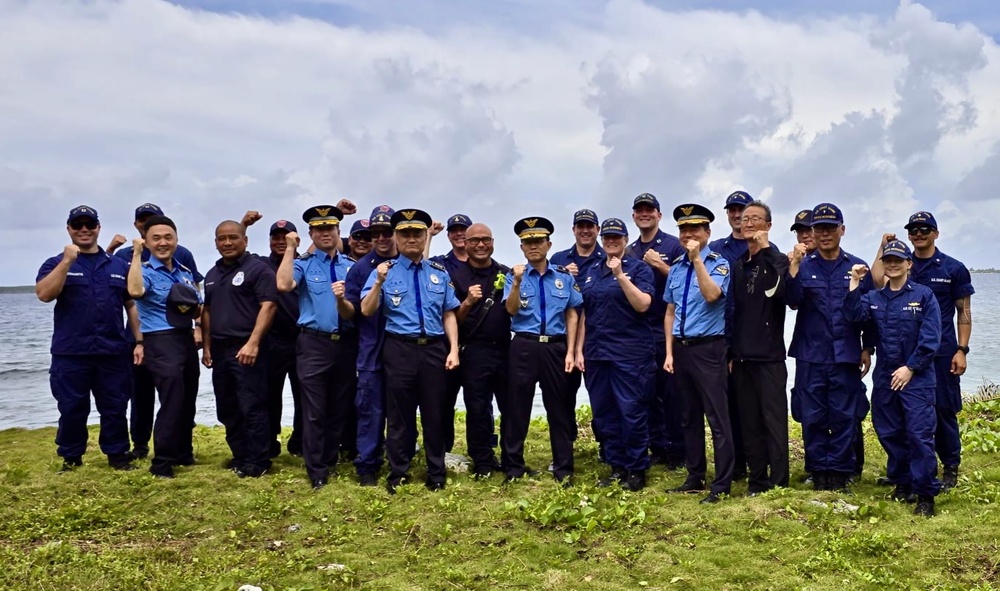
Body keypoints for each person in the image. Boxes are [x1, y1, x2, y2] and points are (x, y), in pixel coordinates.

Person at [870, 211, 974, 491]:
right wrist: (882, 246)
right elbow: (876, 282)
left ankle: (950, 465)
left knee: (943, 409)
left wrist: (962, 349)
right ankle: (902, 472)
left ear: (936, 233)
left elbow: (963, 312)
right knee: (898, 415)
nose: (919, 233)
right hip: (901, 352)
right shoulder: (900, 262)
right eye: (913, 229)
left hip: (941, 351)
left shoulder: (953, 268)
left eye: (925, 229)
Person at [360, 208, 461, 494]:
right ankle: (399, 472)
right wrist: (378, 282)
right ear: (396, 238)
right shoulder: (384, 272)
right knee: (399, 415)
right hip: (399, 349)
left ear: (425, 235)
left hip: (433, 349)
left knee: (435, 413)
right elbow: (366, 310)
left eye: (417, 233)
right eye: (405, 234)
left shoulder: (439, 273)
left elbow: (449, 314)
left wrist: (453, 349)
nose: (412, 239)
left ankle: (436, 473)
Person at [35, 206, 139, 472]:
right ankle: (71, 457)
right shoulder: (55, 263)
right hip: (71, 353)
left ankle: (117, 454)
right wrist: (67, 262)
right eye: (77, 225)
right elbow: (45, 294)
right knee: (71, 407)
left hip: (113, 351)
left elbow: (131, 305)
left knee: (115, 406)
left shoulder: (118, 265)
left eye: (89, 225)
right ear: (69, 229)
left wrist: (139, 341)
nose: (84, 229)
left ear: (98, 228)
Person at [845, 240, 942, 516]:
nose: (892, 264)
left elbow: (931, 339)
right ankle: (902, 482)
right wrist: (854, 283)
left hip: (917, 378)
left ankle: (925, 495)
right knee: (888, 430)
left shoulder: (924, 296)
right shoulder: (874, 298)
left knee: (919, 435)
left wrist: (911, 368)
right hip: (886, 377)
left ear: (909, 264)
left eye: (898, 259)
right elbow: (854, 317)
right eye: (888, 260)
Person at [786, 203, 874, 492]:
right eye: (819, 228)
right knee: (812, 415)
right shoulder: (804, 265)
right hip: (811, 353)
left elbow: (869, 312)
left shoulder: (857, 267)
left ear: (842, 230)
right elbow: (793, 300)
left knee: (844, 415)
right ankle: (817, 470)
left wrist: (867, 347)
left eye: (830, 228)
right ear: (812, 232)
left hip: (846, 353)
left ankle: (840, 471)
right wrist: (794, 266)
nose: (825, 234)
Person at [107, 203, 203, 460]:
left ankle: (184, 452)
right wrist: (137, 255)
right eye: (156, 238)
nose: (163, 243)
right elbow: (136, 292)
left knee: (186, 399)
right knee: (170, 401)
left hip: (185, 340)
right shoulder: (144, 271)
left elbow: (197, 308)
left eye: (168, 237)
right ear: (147, 242)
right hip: (160, 340)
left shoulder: (183, 273)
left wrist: (199, 324)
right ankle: (163, 460)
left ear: (176, 239)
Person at [276, 205, 357, 490]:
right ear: (311, 233)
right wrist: (290, 249)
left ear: (338, 232)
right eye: (319, 229)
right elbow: (284, 284)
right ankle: (316, 469)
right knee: (314, 409)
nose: (325, 233)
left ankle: (330, 459)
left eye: (330, 229)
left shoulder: (351, 266)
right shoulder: (304, 263)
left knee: (338, 406)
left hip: (345, 344)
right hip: (314, 344)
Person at [577, 218, 655, 491]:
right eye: (607, 237)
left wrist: (620, 275)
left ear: (625, 239)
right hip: (597, 353)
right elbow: (585, 312)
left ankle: (636, 469)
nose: (611, 241)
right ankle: (617, 466)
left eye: (617, 237)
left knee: (631, 412)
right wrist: (578, 350)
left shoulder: (639, 268)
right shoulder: (592, 271)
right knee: (604, 414)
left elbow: (643, 304)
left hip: (630, 354)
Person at [503, 217, 583, 485]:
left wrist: (571, 351)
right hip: (524, 345)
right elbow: (511, 310)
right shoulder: (513, 276)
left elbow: (573, 314)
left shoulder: (563, 276)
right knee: (517, 408)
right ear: (522, 247)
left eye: (538, 241)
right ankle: (513, 467)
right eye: (528, 242)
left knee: (559, 409)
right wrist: (515, 283)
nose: (533, 246)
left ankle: (564, 469)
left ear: (549, 244)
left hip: (556, 347)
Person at [662, 204, 733, 504]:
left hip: (709, 348)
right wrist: (668, 352)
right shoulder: (676, 268)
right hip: (681, 349)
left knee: (717, 419)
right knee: (688, 416)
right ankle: (694, 476)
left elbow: (712, 295)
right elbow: (669, 311)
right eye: (683, 229)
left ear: (707, 233)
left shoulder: (719, 264)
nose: (688, 234)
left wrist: (696, 260)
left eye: (695, 229)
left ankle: (722, 485)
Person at [201, 221, 278, 478]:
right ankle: (240, 455)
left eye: (233, 237)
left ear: (245, 240)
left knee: (252, 405)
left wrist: (253, 342)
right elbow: (207, 312)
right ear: (215, 242)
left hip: (248, 347)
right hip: (220, 350)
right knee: (227, 406)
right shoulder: (211, 275)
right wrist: (207, 347)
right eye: (221, 238)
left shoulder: (258, 270)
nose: (227, 243)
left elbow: (268, 307)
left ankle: (259, 460)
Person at [730, 201, 790, 495]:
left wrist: (766, 251)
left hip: (769, 356)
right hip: (742, 357)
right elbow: (732, 311)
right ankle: (756, 480)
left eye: (756, 219)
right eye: (745, 219)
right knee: (749, 422)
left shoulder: (776, 258)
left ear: (768, 225)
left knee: (774, 422)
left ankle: (778, 481)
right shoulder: (738, 264)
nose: (749, 223)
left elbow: (782, 292)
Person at [628, 193, 686, 470]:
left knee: (672, 392)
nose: (645, 214)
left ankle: (677, 451)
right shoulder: (628, 251)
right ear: (634, 216)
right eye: (640, 211)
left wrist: (660, 266)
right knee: (645, 392)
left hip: (667, 328)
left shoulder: (674, 246)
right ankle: (656, 447)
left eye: (650, 210)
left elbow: (685, 283)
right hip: (638, 332)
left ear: (659, 215)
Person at [450, 223, 511, 479]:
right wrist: (467, 302)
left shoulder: (506, 273)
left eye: (486, 239)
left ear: (493, 241)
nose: (481, 245)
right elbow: (451, 319)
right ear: (466, 243)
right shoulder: (456, 276)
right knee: (477, 407)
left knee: (511, 406)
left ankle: (510, 458)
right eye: (475, 240)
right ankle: (483, 461)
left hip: (506, 348)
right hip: (474, 350)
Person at [240, 213, 304, 457]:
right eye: (275, 237)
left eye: (285, 237)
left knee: (304, 395)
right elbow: (236, 249)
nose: (280, 241)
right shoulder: (261, 264)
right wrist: (244, 224)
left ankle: (300, 442)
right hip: (273, 341)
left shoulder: (303, 263)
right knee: (270, 395)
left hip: (301, 340)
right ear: (268, 241)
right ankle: (270, 442)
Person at [344, 206, 399, 486]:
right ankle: (367, 465)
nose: (381, 238)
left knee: (402, 410)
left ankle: (400, 459)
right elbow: (352, 312)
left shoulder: (408, 261)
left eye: (386, 232)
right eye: (375, 233)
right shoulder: (360, 268)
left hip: (403, 350)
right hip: (370, 349)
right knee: (370, 410)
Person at [550, 209, 606, 458]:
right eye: (580, 226)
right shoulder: (559, 259)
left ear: (597, 230)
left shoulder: (608, 257)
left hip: (598, 337)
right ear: (573, 229)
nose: (585, 230)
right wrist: (561, 275)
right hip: (565, 337)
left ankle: (608, 446)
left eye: (590, 226)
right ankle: (566, 445)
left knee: (602, 396)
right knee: (563, 396)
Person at [709, 190, 755, 481]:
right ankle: (734, 464)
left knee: (751, 404)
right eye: (733, 210)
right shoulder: (716, 248)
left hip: (752, 338)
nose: (737, 215)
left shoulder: (764, 248)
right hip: (720, 335)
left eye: (742, 211)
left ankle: (754, 460)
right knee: (726, 404)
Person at [430, 213, 473, 455]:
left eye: (463, 229)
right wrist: (428, 236)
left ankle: (483, 449)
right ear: (448, 235)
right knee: (443, 400)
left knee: (479, 401)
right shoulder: (440, 263)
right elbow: (419, 266)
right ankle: (443, 450)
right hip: (446, 343)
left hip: (476, 342)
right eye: (454, 230)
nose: (459, 233)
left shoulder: (483, 262)